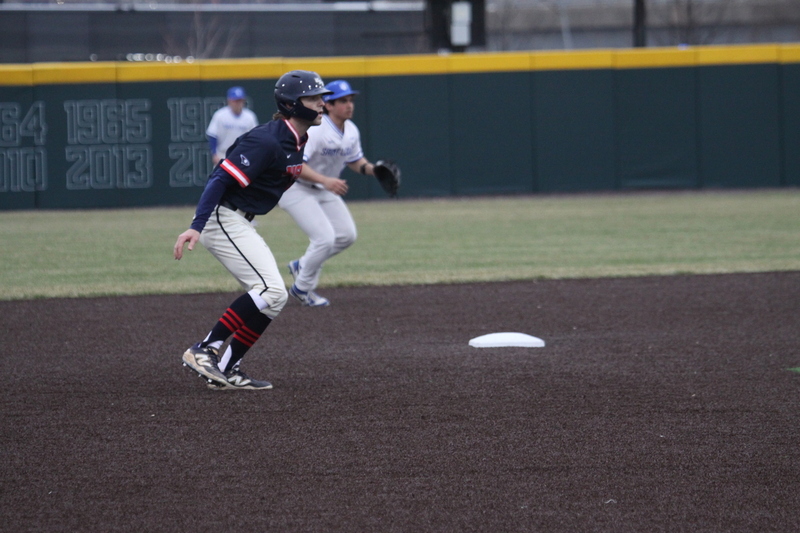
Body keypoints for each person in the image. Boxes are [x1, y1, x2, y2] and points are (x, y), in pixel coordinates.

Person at [174, 70, 332, 390]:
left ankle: (228, 367)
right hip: (223, 218)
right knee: (271, 289)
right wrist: (196, 226)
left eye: (321, 97)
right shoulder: (267, 139)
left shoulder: (296, 138)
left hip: (240, 219)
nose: (320, 104)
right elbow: (219, 178)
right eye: (313, 98)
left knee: (274, 298)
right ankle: (204, 348)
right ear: (290, 104)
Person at [278, 79, 383, 307]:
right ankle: (302, 289)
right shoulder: (317, 130)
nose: (349, 105)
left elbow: (355, 161)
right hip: (295, 187)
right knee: (324, 238)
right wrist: (326, 181)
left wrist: (374, 170)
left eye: (351, 100)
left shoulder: (351, 130)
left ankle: (302, 265)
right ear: (328, 105)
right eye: (342, 101)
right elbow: (296, 165)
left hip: (323, 187)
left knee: (346, 235)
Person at [206, 86, 259, 166]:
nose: (238, 103)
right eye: (235, 101)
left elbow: (255, 138)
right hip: (223, 155)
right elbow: (213, 135)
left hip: (243, 156)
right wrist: (214, 154)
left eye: (240, 100)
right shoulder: (220, 115)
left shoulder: (250, 116)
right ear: (229, 101)